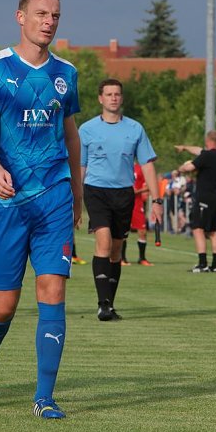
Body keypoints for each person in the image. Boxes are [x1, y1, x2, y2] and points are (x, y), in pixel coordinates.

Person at [0, 0, 84, 419]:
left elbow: (71, 136)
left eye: (55, 15)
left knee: (53, 290)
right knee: (3, 306)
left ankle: (44, 397)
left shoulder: (66, 74)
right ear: (21, 17)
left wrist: (77, 193)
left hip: (54, 199)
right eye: (41, 14)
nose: (49, 22)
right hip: (7, 202)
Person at [79, 79, 163, 322]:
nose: (113, 98)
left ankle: (110, 303)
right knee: (103, 242)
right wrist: (74, 199)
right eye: (108, 94)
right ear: (100, 98)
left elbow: (147, 165)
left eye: (117, 94)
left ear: (122, 98)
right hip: (96, 191)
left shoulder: (135, 129)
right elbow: (80, 166)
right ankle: (103, 305)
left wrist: (157, 201)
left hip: (124, 194)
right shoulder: (87, 129)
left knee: (116, 250)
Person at [176, 130, 216, 272]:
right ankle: (215, 265)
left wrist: (181, 168)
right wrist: (185, 148)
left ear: (207, 140)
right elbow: (199, 151)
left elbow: (190, 167)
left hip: (204, 197)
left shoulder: (206, 156)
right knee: (213, 231)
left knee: (198, 228)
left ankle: (202, 264)